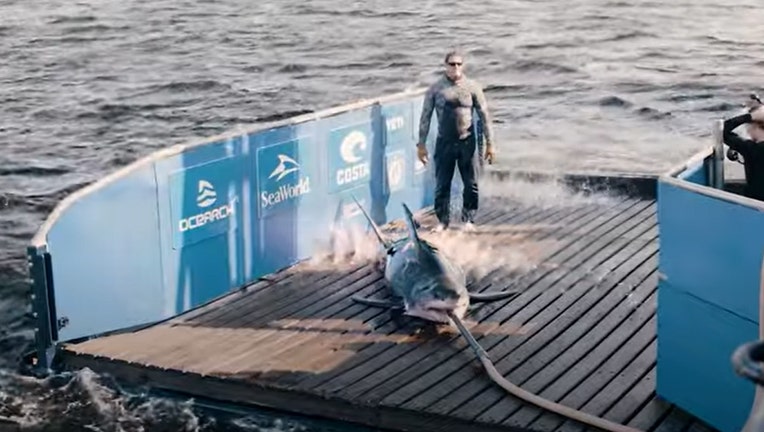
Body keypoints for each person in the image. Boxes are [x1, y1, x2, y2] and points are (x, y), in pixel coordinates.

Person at [416, 49, 496, 231]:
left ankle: (468, 219)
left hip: (467, 142)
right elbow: (425, 117)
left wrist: (490, 143)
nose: (456, 67)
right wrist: (421, 145)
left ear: (463, 65)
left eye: (459, 64)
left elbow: (485, 116)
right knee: (442, 183)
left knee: (471, 183)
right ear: (446, 66)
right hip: (445, 142)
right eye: (452, 64)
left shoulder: (472, 87)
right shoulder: (435, 89)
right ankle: (443, 221)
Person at [723, 100, 764, 201]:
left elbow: (722, 130)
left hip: (755, 205)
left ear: (752, 127)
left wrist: (750, 116)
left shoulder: (750, 148)